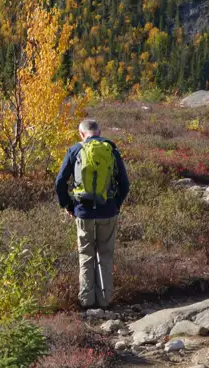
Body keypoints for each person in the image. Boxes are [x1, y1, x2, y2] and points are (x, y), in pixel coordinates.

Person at [56, 119, 130, 309]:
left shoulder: (74, 150)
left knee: (86, 256)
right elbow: (124, 184)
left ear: (81, 134)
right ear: (99, 132)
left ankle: (86, 301)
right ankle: (105, 301)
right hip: (108, 210)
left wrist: (68, 206)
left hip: (83, 212)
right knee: (105, 255)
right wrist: (116, 204)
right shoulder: (111, 150)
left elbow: (60, 182)